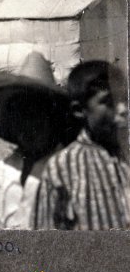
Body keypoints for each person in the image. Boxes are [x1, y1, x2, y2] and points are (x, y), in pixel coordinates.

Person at [0, 51, 72, 229]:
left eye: (38, 117)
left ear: (54, 118)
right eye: (22, 117)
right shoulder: (2, 172)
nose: (29, 127)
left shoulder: (71, 171)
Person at [35, 60, 130, 230]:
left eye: (125, 98)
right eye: (109, 101)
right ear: (80, 110)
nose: (123, 108)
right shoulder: (62, 169)